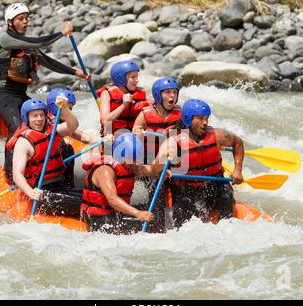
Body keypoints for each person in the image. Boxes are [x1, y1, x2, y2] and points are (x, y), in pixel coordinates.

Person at [0, 2, 90, 181]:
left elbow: (48, 62)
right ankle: (10, 175)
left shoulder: (26, 46)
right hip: (3, 93)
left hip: (20, 94)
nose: (25, 21)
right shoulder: (6, 39)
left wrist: (75, 72)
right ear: (10, 23)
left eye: (27, 18)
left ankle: (54, 171)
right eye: (21, 19)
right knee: (17, 127)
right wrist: (61, 33)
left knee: (45, 125)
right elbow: (41, 41)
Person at [155, 99, 245, 228]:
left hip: (214, 184)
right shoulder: (172, 143)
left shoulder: (218, 135)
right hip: (187, 189)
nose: (205, 122)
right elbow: (155, 168)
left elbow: (238, 143)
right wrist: (163, 169)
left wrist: (238, 170)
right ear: (187, 119)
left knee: (226, 199)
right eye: (200, 118)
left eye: (207, 118)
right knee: (183, 218)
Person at [6, 97, 82, 216]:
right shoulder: (23, 143)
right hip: (42, 192)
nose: (39, 119)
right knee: (87, 203)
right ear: (27, 118)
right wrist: (30, 192)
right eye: (34, 116)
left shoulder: (52, 131)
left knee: (91, 196)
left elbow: (73, 125)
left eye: (41, 115)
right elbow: (17, 175)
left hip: (60, 187)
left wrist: (65, 109)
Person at [80, 133, 165, 234]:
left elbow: (151, 169)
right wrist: (137, 213)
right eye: (133, 159)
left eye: (137, 158)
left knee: (156, 219)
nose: (136, 163)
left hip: (117, 213)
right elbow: (112, 199)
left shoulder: (129, 166)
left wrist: (162, 169)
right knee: (149, 224)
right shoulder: (105, 171)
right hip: (99, 218)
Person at [46, 88, 101, 189]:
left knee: (67, 148)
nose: (69, 112)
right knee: (67, 148)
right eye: (68, 109)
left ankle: (69, 186)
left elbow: (79, 135)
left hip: (54, 166)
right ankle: (66, 187)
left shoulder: (60, 120)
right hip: (45, 168)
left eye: (70, 109)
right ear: (55, 107)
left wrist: (97, 139)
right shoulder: (46, 121)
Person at [132, 76, 182, 164]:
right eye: (168, 92)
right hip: (148, 158)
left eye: (175, 92)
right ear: (158, 95)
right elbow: (136, 131)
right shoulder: (145, 114)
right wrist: (138, 131)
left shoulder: (180, 113)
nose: (173, 95)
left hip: (170, 157)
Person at [96, 60, 150, 136]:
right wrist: (123, 106)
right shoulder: (106, 93)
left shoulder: (140, 93)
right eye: (133, 77)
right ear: (121, 79)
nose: (137, 80)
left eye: (137, 77)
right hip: (113, 136)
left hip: (134, 134)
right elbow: (105, 121)